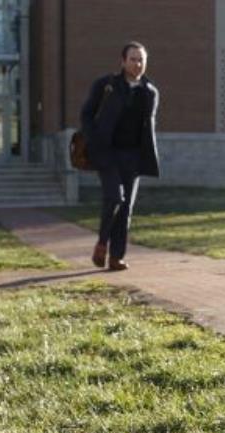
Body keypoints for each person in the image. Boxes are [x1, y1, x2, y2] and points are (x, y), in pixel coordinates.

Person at [81, 41, 160, 271]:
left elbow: (148, 127)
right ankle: (102, 242)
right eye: (133, 59)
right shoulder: (106, 85)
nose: (138, 64)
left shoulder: (150, 92)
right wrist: (93, 139)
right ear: (123, 61)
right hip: (107, 153)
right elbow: (87, 114)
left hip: (133, 157)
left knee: (125, 209)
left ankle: (116, 257)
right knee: (115, 198)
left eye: (141, 60)